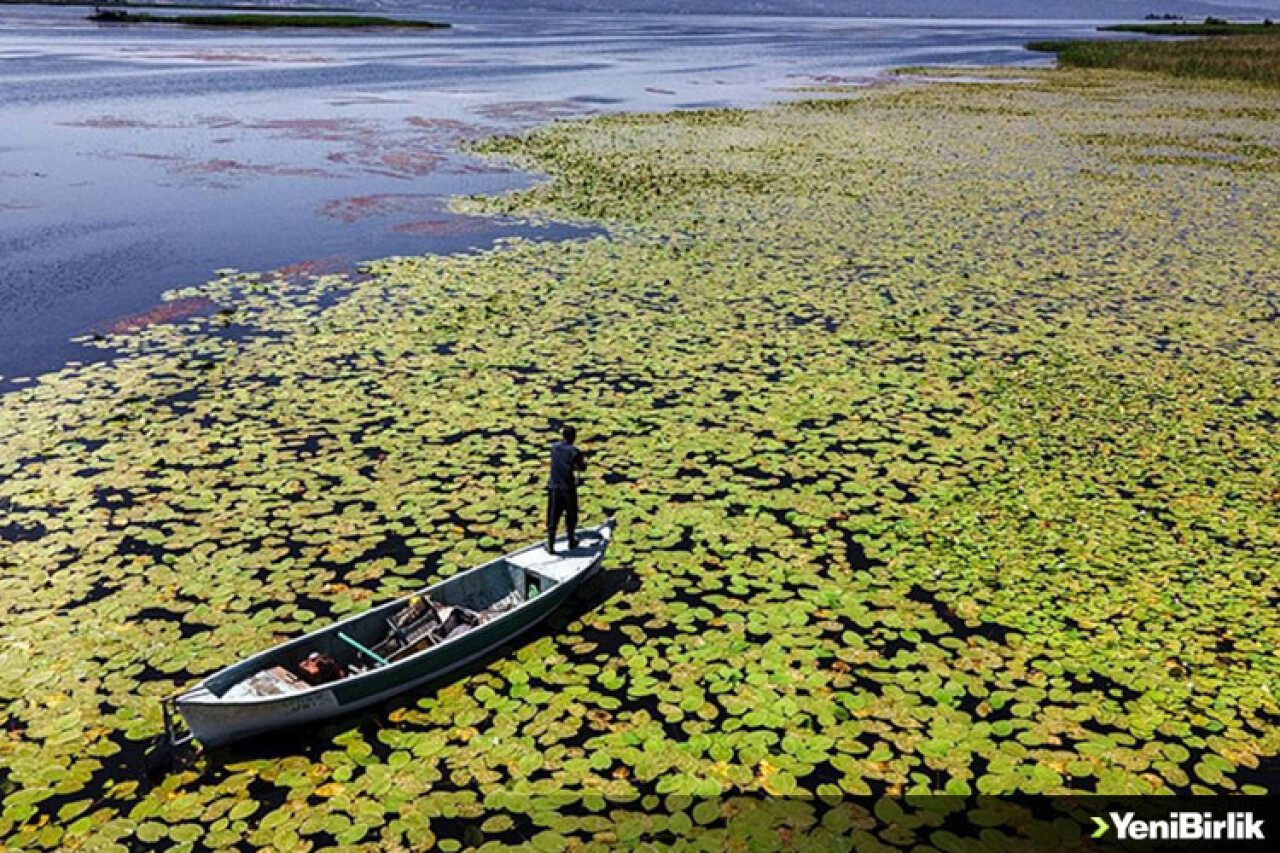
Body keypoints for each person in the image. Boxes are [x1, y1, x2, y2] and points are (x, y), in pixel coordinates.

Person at [546, 425, 586, 553]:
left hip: (554, 487)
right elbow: (582, 467)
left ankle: (550, 545)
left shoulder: (554, 448)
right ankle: (571, 541)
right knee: (571, 515)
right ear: (573, 437)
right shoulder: (575, 452)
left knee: (553, 516)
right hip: (568, 488)